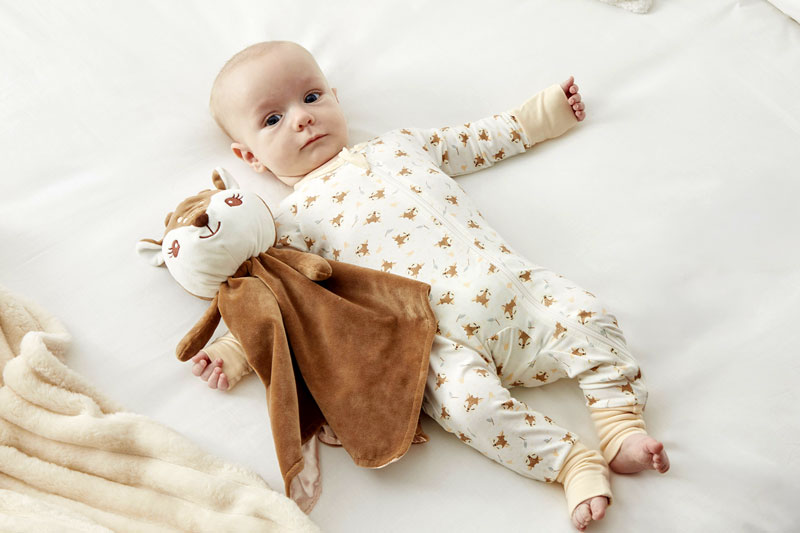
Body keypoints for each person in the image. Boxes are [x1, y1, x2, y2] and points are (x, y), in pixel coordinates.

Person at [192, 40, 669, 531]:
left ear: (335, 97)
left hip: (516, 293)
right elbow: (286, 303)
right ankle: (569, 462)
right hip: (434, 342)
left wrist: (545, 115)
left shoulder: (397, 146)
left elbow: (475, 140)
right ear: (249, 156)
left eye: (312, 97)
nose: (302, 118)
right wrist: (234, 350)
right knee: (468, 409)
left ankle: (618, 424)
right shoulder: (290, 224)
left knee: (588, 316)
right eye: (273, 119)